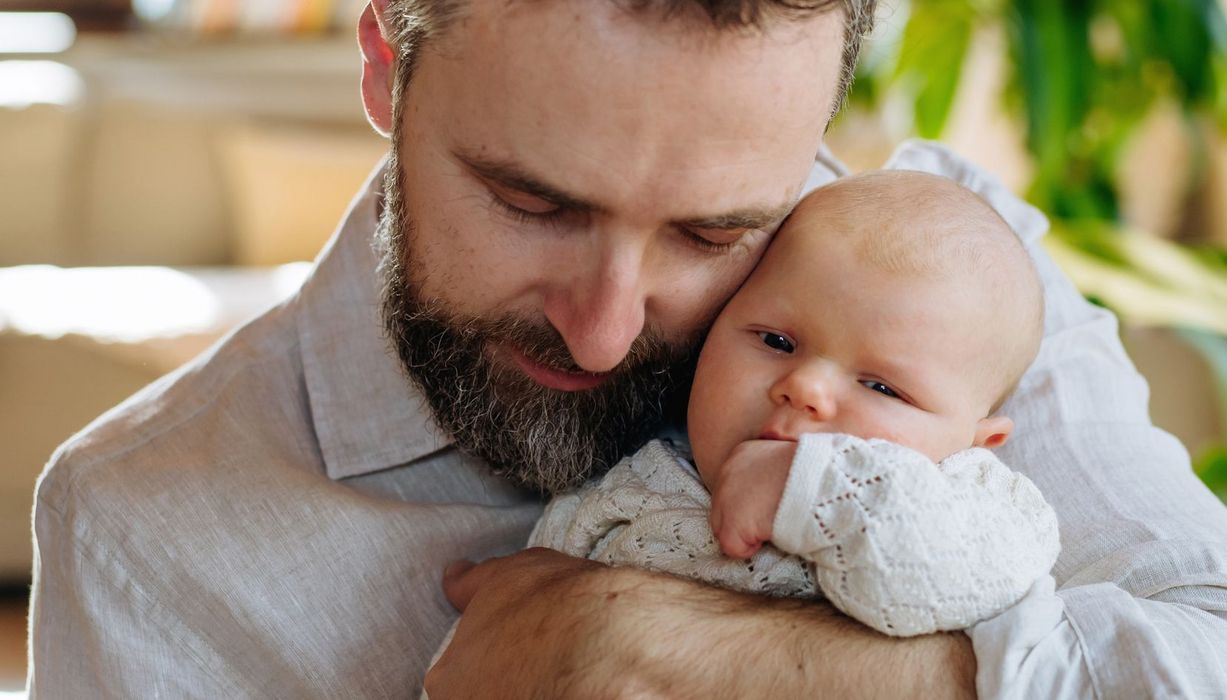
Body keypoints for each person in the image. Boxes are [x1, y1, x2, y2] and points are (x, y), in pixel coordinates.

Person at [26, 1, 1227, 698]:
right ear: (388, 58)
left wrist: (675, 659)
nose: (602, 329)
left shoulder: (951, 289)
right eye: (531, 202)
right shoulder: (143, 532)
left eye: (715, 232)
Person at [424, 171, 1060, 685]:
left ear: (979, 442)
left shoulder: (977, 503)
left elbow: (960, 582)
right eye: (776, 340)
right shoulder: (625, 484)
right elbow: (511, 652)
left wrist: (809, 489)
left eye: (882, 388)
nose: (805, 388)